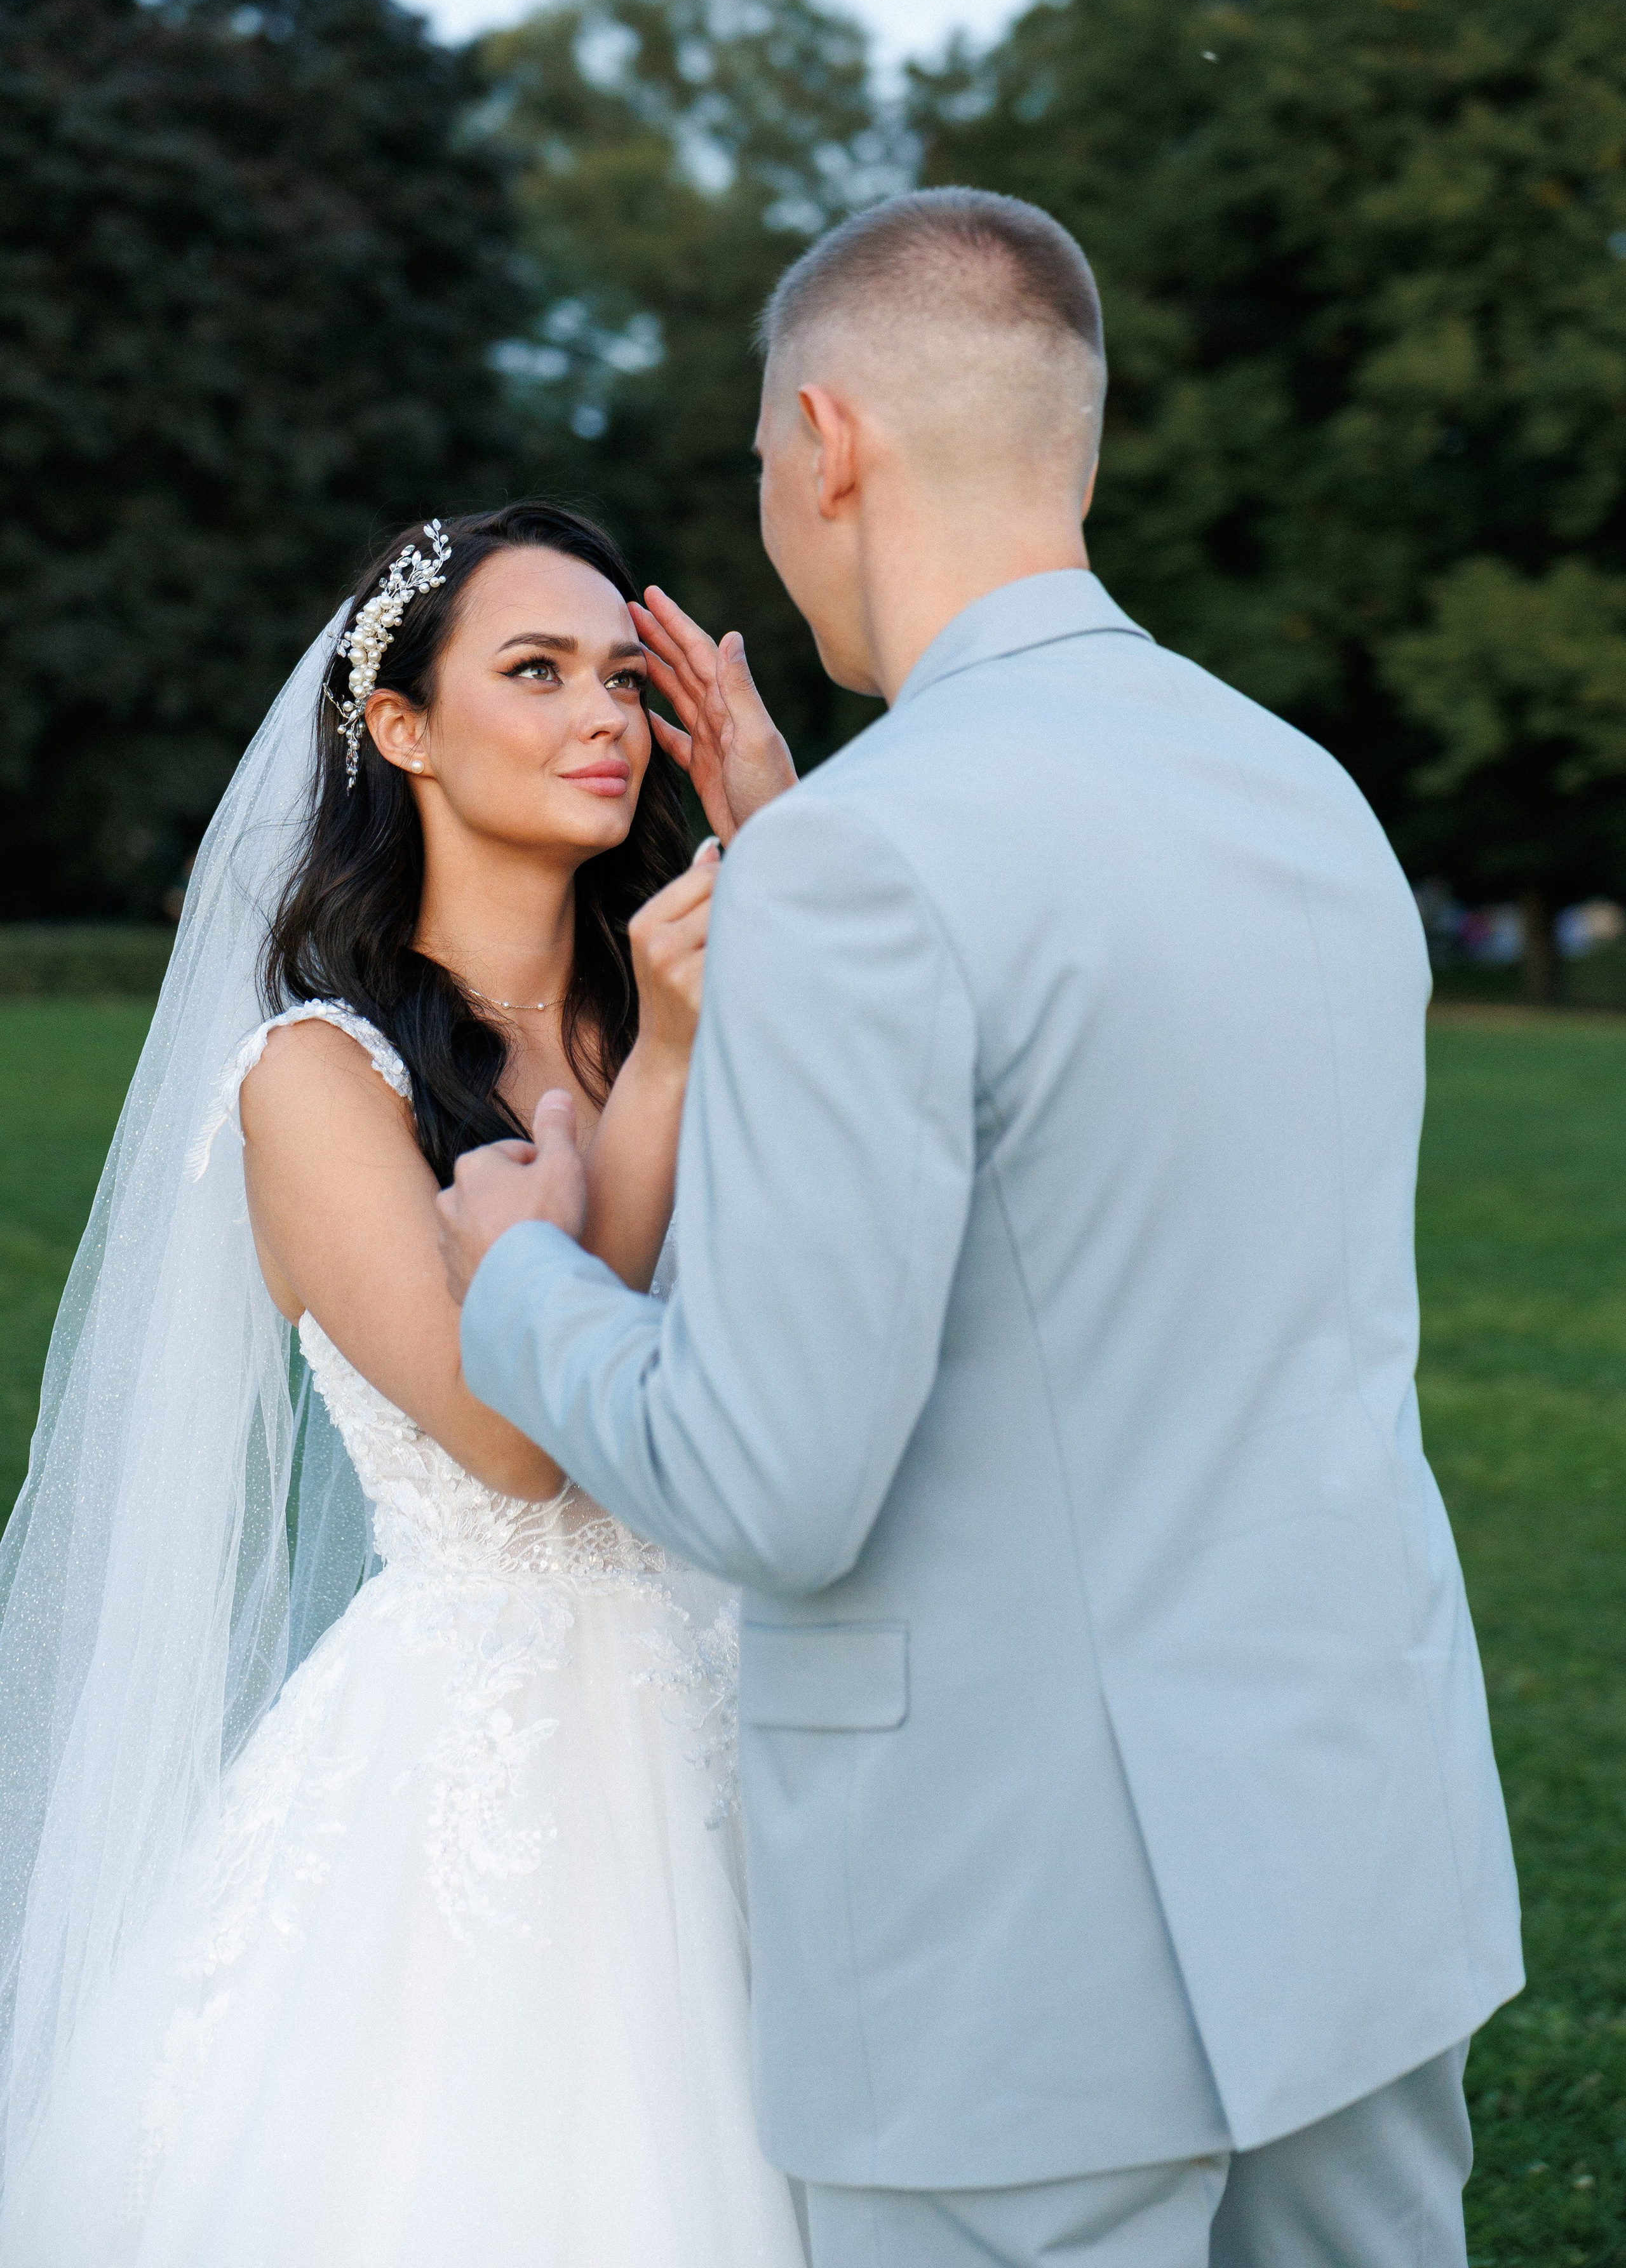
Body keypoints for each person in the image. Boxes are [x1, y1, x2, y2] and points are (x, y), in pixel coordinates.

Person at [438, 191, 1525, 2268]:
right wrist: (821, 833)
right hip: (1356, 1882)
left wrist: (526, 1282)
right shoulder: (1301, 790)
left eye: (762, 460)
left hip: (1019, 1955)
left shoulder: (874, 859)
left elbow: (773, 1480)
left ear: (828, 444)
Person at [0, 502, 809, 2265]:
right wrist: (672, 1062)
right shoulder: (315, 1075)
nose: (602, 713)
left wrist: (798, 869)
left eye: (622, 674)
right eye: (534, 671)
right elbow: (522, 1443)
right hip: (482, 1797)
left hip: (780, 1732)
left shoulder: (721, 991)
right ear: (403, 727)